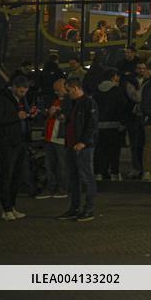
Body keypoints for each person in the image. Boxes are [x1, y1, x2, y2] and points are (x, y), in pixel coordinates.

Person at [57, 78, 99, 223]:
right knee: (74, 178)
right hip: (71, 144)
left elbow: (92, 125)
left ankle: (88, 208)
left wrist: (83, 142)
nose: (67, 93)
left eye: (68, 90)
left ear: (75, 88)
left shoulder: (88, 103)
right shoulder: (74, 103)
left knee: (86, 177)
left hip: (82, 146)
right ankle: (74, 208)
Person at [0, 76, 34, 221]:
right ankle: (6, 208)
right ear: (13, 87)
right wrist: (16, 116)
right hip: (8, 143)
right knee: (6, 175)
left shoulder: (21, 99)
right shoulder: (1, 99)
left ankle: (11, 206)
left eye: (25, 91)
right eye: (21, 91)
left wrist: (29, 115)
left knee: (16, 176)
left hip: (20, 142)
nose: (23, 93)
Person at [37, 78, 70, 200]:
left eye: (58, 90)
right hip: (50, 137)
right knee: (50, 165)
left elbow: (66, 117)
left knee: (61, 165)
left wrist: (54, 113)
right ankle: (52, 188)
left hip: (59, 138)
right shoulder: (56, 101)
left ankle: (62, 188)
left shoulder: (69, 101)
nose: (56, 92)